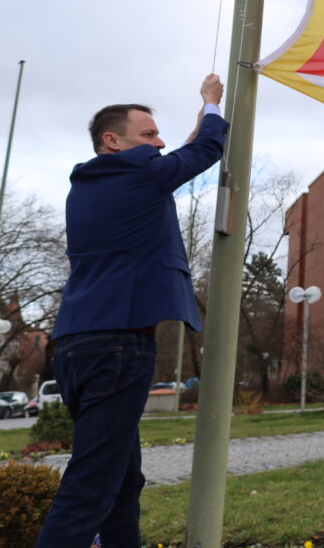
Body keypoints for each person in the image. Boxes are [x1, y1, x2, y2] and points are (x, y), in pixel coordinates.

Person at [37, 75, 229, 548]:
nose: (158, 143)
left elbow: (170, 160)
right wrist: (211, 104)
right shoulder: (139, 173)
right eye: (148, 135)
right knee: (92, 487)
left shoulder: (92, 183)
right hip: (117, 346)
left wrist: (178, 137)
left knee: (123, 483)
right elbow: (204, 151)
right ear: (112, 140)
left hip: (75, 345)